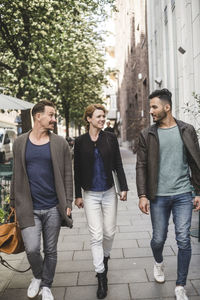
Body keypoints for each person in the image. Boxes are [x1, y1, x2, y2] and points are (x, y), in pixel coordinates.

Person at [136, 88, 200, 300]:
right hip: (158, 196)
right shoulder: (148, 134)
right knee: (158, 238)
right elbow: (141, 165)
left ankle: (180, 285)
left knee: (183, 239)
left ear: (167, 107)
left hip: (183, 193)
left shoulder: (187, 130)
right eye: (150, 107)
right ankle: (159, 262)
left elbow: (195, 162)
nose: (151, 111)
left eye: (154, 107)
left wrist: (198, 191)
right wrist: (142, 195)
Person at [10, 100, 73, 300]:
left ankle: (47, 285)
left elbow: (67, 175)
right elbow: (15, 173)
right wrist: (13, 202)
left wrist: (68, 202)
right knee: (32, 248)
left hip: (54, 206)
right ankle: (37, 276)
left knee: (51, 249)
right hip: (28, 206)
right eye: (51, 115)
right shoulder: (20, 142)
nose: (54, 119)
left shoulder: (59, 143)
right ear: (39, 116)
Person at [74, 103, 128, 299]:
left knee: (109, 232)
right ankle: (101, 276)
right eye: (98, 116)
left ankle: (104, 258)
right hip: (90, 194)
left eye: (103, 116)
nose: (102, 119)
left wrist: (124, 187)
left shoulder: (110, 138)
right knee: (96, 235)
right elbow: (77, 169)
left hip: (108, 192)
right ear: (89, 119)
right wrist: (77, 194)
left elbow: (118, 164)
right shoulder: (80, 142)